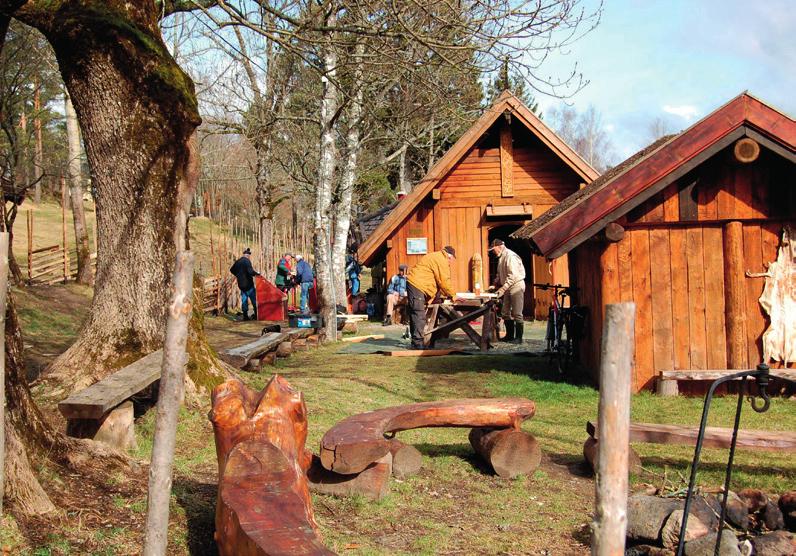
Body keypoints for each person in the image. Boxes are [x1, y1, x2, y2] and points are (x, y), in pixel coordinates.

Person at [406, 246, 456, 349]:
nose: (450, 263)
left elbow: (438, 281)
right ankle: (418, 344)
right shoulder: (441, 260)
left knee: (415, 314)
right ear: (449, 256)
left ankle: (416, 342)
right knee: (419, 314)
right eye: (451, 260)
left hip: (415, 284)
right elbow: (444, 281)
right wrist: (453, 295)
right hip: (418, 285)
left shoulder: (436, 256)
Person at [488, 239, 526, 344]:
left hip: (516, 285)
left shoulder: (510, 256)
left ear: (499, 247)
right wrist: (495, 284)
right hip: (508, 286)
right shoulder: (501, 258)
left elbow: (512, 276)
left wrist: (502, 289)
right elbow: (499, 275)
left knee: (517, 313)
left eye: (493, 249)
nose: (493, 251)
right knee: (505, 312)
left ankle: (519, 338)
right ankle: (509, 336)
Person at [229, 247, 260, 321]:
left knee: (244, 299)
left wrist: (238, 275)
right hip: (248, 284)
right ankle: (256, 315)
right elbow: (250, 271)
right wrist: (257, 274)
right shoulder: (247, 261)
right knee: (253, 299)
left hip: (241, 284)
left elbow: (231, 270)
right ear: (248, 255)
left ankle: (245, 316)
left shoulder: (238, 261)